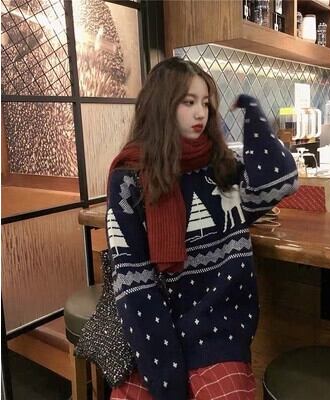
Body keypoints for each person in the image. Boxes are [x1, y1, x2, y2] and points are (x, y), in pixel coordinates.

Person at [107, 57, 298, 400]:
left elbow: (279, 182)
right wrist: (167, 378)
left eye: (206, 103)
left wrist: (255, 120)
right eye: (188, 102)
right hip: (153, 335)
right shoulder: (129, 177)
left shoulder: (221, 167)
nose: (200, 113)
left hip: (218, 332)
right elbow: (134, 283)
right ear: (162, 105)